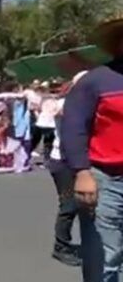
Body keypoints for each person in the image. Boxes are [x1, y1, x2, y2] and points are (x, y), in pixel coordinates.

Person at [62, 11, 123, 282]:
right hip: (104, 176)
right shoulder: (97, 81)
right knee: (105, 256)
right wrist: (82, 172)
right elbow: (74, 128)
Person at [46, 72, 86, 267]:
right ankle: (60, 246)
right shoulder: (67, 105)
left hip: (75, 161)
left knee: (84, 205)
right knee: (69, 205)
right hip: (62, 162)